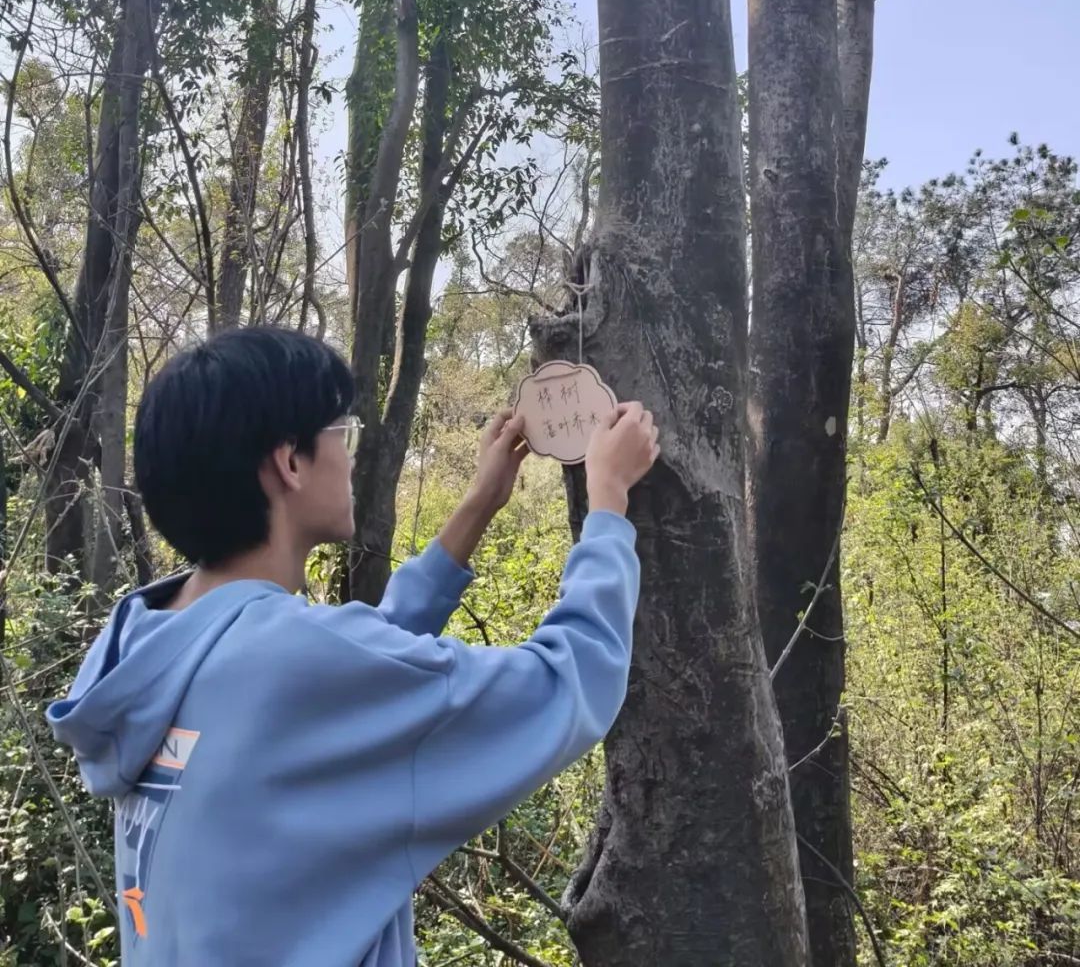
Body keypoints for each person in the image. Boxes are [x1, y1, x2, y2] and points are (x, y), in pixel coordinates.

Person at [48, 325, 657, 966]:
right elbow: (567, 684)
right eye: (344, 433)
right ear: (290, 462)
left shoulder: (150, 648)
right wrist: (607, 508)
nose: (352, 454)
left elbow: (359, 658)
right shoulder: (294, 662)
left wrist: (480, 503)